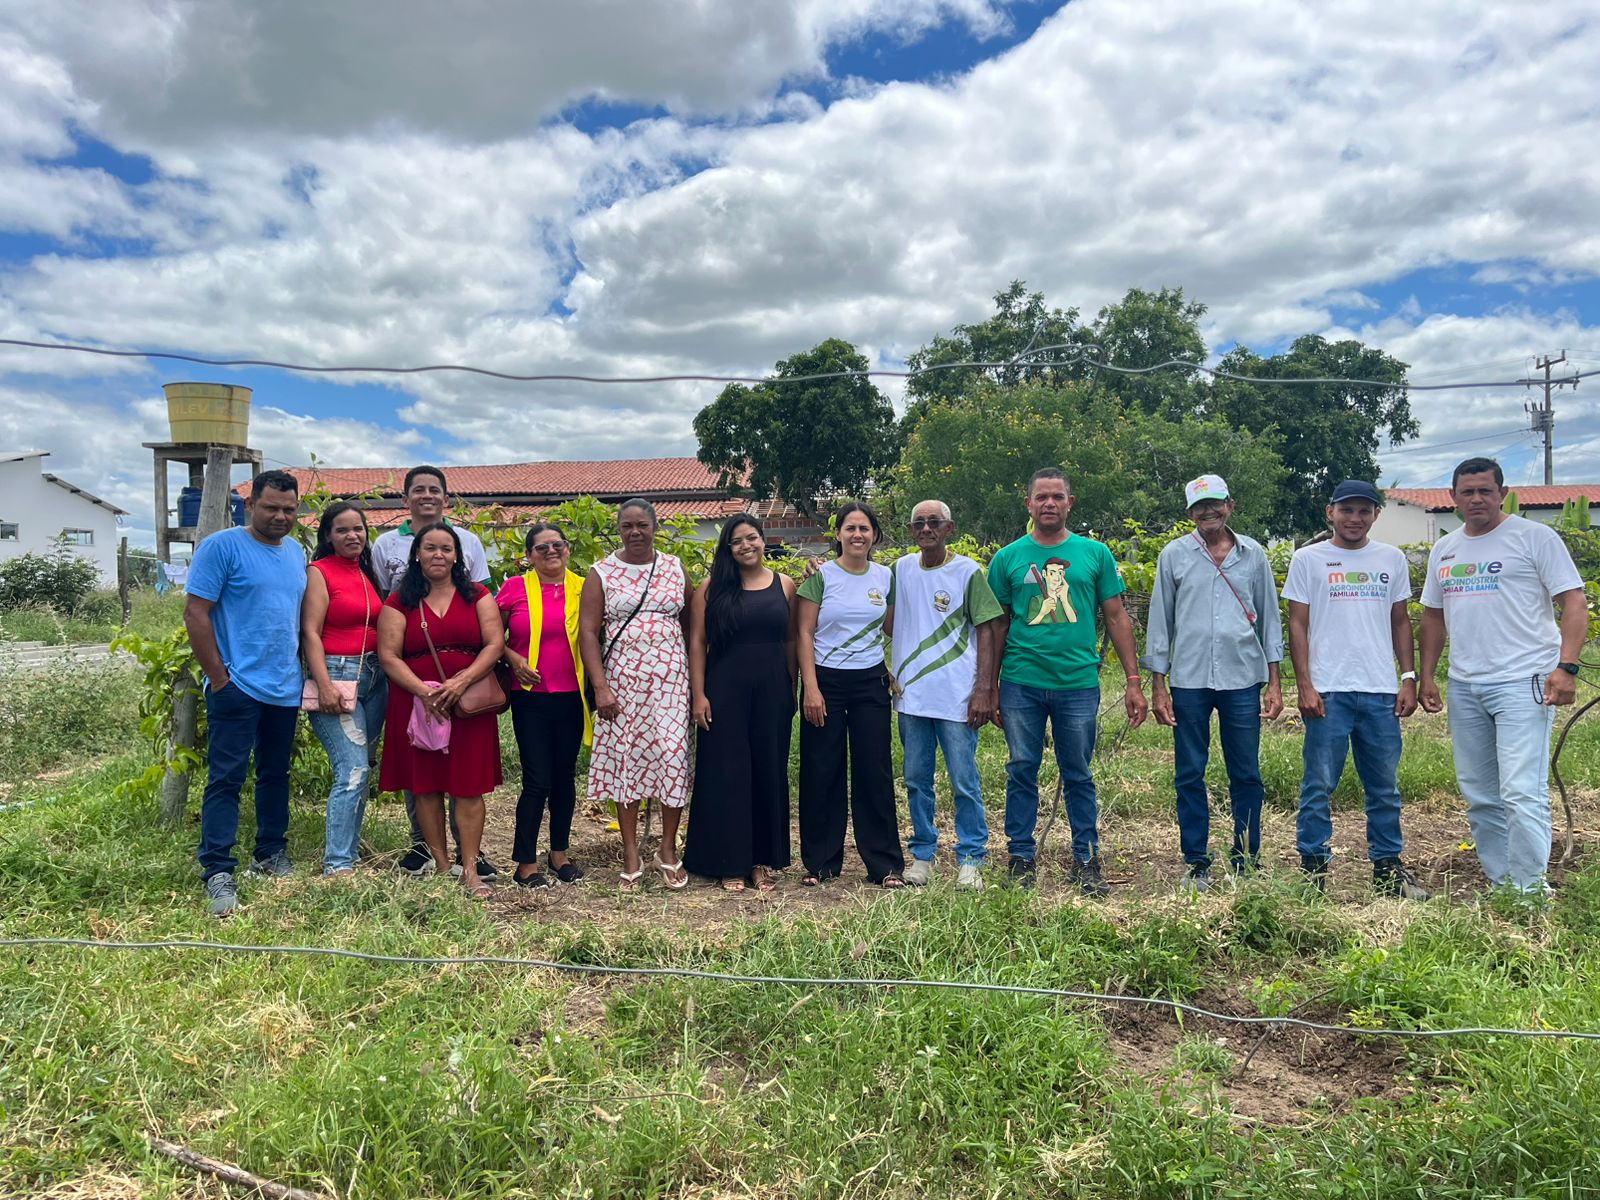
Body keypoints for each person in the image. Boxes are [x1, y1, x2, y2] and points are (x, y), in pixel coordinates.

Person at [1419, 457, 1586, 896]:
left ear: (1502, 493)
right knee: (1480, 794)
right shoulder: (1445, 548)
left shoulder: (1535, 538)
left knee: (1520, 791)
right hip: (1466, 684)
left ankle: (1530, 893)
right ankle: (1503, 885)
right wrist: (1428, 675)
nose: (1476, 499)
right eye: (1467, 491)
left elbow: (1573, 601)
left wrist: (1566, 667)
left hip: (1524, 681)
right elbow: (1433, 616)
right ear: (1453, 497)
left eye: (1485, 490)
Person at [988, 468, 1147, 895]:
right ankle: (1021, 857)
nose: (1049, 504)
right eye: (1041, 497)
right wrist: (989, 685)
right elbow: (997, 625)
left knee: (1078, 772)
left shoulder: (1094, 554)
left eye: (1057, 497)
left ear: (1070, 503)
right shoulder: (1008, 559)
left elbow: (1116, 616)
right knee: (1022, 768)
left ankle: (1086, 859)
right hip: (1021, 681)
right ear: (1028, 503)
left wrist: (1133, 679)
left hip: (1077, 682)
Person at [1285, 480, 1429, 899]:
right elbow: (1298, 623)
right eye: (1346, 510)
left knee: (1384, 787)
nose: (1355, 518)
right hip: (1328, 691)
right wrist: (1305, 684)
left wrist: (1408, 678)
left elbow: (1400, 621)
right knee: (1318, 786)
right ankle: (1313, 872)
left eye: (1364, 511)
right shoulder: (1308, 559)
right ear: (1330, 512)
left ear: (1375, 515)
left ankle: (1387, 869)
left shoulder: (1391, 559)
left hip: (1379, 690)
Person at [1144, 474, 1285, 892]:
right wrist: (1158, 685)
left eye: (1215, 504)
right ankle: (1196, 864)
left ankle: (1246, 860)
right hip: (1189, 680)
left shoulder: (1253, 554)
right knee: (1190, 773)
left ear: (1230, 506)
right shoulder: (1174, 555)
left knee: (1246, 773)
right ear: (1190, 513)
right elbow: (1161, 622)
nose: (1208, 512)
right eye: (1200, 506)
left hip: (1242, 679)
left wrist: (1275, 683)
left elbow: (1270, 619)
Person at [184, 469, 308, 916]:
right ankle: (218, 869)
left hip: (284, 686)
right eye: (271, 507)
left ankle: (270, 852)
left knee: (275, 774)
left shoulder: (295, 552)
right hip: (237, 686)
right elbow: (196, 613)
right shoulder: (222, 547)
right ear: (250, 504)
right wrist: (220, 679)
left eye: (288, 509)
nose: (280, 516)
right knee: (227, 778)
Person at [370, 464, 497, 880]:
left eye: (445, 549)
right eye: (430, 549)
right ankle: (441, 865)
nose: (438, 555)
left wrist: (460, 682)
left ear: (458, 555)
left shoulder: (476, 594)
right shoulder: (399, 601)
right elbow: (389, 655)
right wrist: (425, 693)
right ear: (417, 555)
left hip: (467, 700)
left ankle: (470, 868)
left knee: (468, 785)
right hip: (416, 702)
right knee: (425, 785)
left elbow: (494, 643)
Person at [578, 499, 694, 889]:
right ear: (619, 529)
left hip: (671, 684)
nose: (635, 532)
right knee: (627, 762)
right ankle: (630, 852)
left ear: (655, 527)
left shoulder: (674, 567)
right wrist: (600, 687)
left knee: (672, 758)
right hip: (621, 685)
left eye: (642, 525)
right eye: (627, 526)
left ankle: (667, 848)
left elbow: (690, 623)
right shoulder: (602, 572)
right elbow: (588, 632)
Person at [888, 500, 1003, 890]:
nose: (926, 529)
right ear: (911, 530)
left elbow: (987, 629)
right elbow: (879, 614)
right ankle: (923, 854)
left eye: (934, 522)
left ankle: (971, 857)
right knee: (916, 780)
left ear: (949, 528)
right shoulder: (901, 569)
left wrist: (984, 689)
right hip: (911, 696)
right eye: (918, 523)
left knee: (964, 781)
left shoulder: (968, 571)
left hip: (956, 695)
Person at [684, 514, 798, 891]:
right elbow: (697, 643)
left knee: (768, 770)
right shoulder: (711, 589)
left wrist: (791, 687)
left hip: (773, 689)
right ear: (728, 549)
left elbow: (791, 641)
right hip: (724, 689)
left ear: (763, 540)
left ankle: (759, 861)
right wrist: (699, 695)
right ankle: (728, 862)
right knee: (727, 773)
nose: (746, 545)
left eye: (751, 538)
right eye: (737, 541)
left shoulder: (785, 584)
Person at [796, 501, 905, 887]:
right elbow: (804, 632)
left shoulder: (885, 576)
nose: (857, 535)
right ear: (838, 534)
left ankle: (884, 865)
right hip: (825, 682)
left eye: (864, 528)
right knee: (821, 769)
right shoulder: (821, 576)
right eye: (850, 528)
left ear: (874, 535)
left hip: (870, 682)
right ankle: (820, 863)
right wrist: (811, 688)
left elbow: (893, 627)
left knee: (874, 771)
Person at [497, 523, 591, 889]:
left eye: (557, 545)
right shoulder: (514, 588)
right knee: (537, 780)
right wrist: (512, 658)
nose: (551, 551)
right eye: (541, 547)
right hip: (530, 697)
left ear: (568, 549)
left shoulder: (585, 587)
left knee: (564, 777)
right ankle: (525, 863)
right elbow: (490, 636)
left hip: (572, 696)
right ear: (529, 555)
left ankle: (559, 854)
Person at [301, 501, 388, 877]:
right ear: (328, 536)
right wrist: (323, 684)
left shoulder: (367, 571)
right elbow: (310, 632)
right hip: (337, 674)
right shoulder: (319, 571)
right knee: (351, 769)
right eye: (342, 530)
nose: (352, 536)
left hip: (375, 677)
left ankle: (349, 852)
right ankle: (337, 863)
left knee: (363, 768)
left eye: (358, 529)